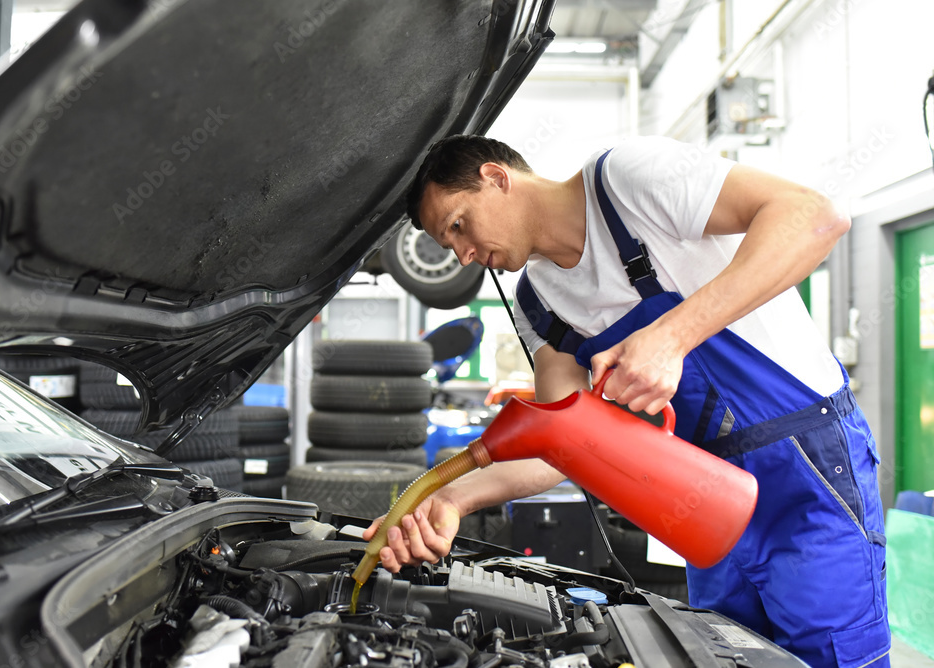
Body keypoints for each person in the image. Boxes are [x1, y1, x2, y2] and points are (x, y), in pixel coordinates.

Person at [363, 134, 890, 668]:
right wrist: (450, 500)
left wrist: (672, 336)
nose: (464, 254)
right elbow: (557, 447)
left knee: (833, 657)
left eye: (458, 225)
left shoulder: (626, 181)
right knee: (723, 657)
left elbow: (816, 216)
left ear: (496, 179)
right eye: (451, 246)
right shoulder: (538, 302)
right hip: (701, 496)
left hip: (806, 470)